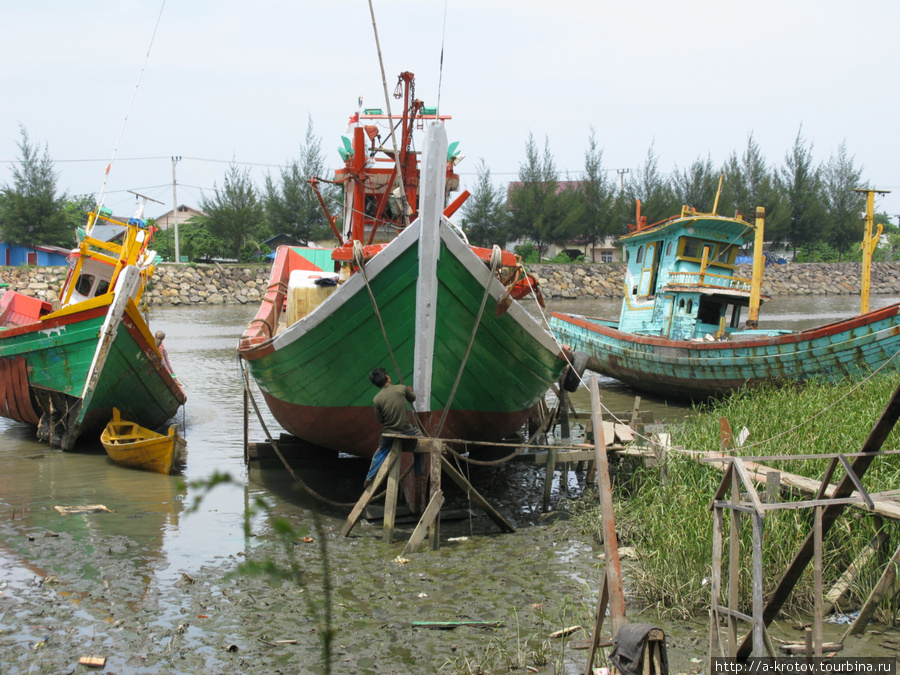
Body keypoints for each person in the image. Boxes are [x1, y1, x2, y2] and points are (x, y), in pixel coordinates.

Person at [364, 367, 419, 488]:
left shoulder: (376, 399)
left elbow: (380, 420)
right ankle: (419, 472)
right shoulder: (401, 388)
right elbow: (412, 398)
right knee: (420, 442)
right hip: (405, 429)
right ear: (388, 377)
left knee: (381, 451)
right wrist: (410, 390)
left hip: (388, 432)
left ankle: (369, 476)